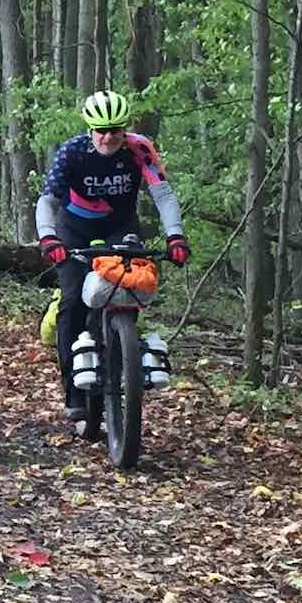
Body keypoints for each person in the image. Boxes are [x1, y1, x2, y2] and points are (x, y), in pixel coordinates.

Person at [35, 90, 190, 428]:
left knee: (129, 289)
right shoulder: (73, 152)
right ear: (90, 129)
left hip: (120, 226)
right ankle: (73, 393)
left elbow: (162, 193)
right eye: (101, 130)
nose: (108, 137)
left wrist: (175, 235)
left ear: (125, 129)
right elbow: (47, 199)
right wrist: (49, 236)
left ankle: (123, 359)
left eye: (115, 130)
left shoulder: (139, 149)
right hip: (73, 227)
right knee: (74, 301)